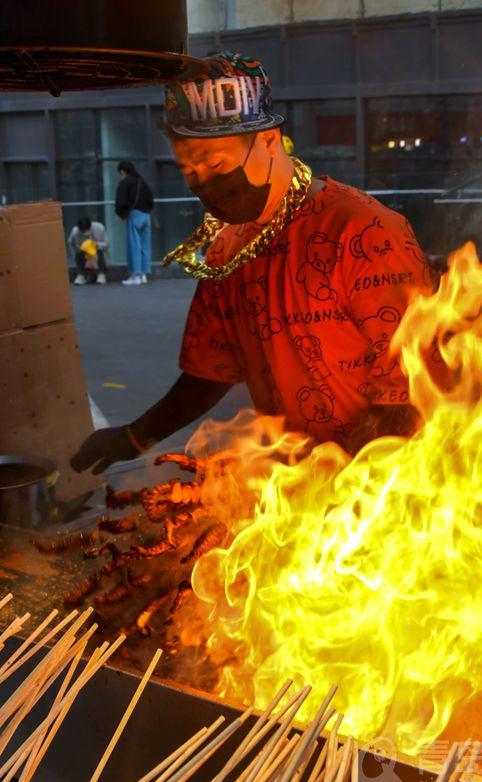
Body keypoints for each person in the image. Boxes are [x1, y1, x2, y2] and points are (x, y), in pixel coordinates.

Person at [72, 51, 449, 476]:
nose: (204, 183)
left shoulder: (365, 233)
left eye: (215, 163)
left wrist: (340, 488)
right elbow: (210, 370)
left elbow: (409, 390)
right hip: (295, 483)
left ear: (269, 141)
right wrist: (134, 436)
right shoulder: (227, 249)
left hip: (393, 488)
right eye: (189, 171)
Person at [114, 160, 155, 286]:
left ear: (122, 171)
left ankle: (135, 275)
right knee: (145, 245)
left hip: (134, 215)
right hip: (146, 216)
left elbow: (121, 200)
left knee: (134, 245)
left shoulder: (125, 182)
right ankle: (143, 275)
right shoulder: (142, 182)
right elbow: (151, 200)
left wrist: (122, 214)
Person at [67, 216, 109, 285]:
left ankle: (100, 274)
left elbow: (107, 244)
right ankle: (81, 275)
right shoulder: (75, 231)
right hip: (83, 254)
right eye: (83, 231)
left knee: (99, 252)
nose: (85, 232)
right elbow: (71, 243)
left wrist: (97, 245)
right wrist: (74, 254)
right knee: (79, 253)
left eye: (87, 230)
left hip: (97, 251)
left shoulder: (99, 228)